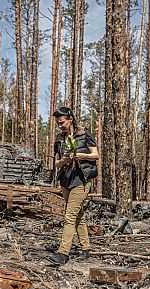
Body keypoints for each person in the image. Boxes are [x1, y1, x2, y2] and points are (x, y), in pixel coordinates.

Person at [47, 106, 99, 265]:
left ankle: (63, 254)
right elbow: (55, 163)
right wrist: (64, 160)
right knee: (78, 215)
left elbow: (95, 155)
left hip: (81, 179)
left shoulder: (84, 134)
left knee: (69, 216)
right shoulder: (59, 138)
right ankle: (86, 248)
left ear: (70, 118)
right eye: (58, 123)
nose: (60, 125)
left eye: (62, 122)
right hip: (66, 179)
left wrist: (79, 155)